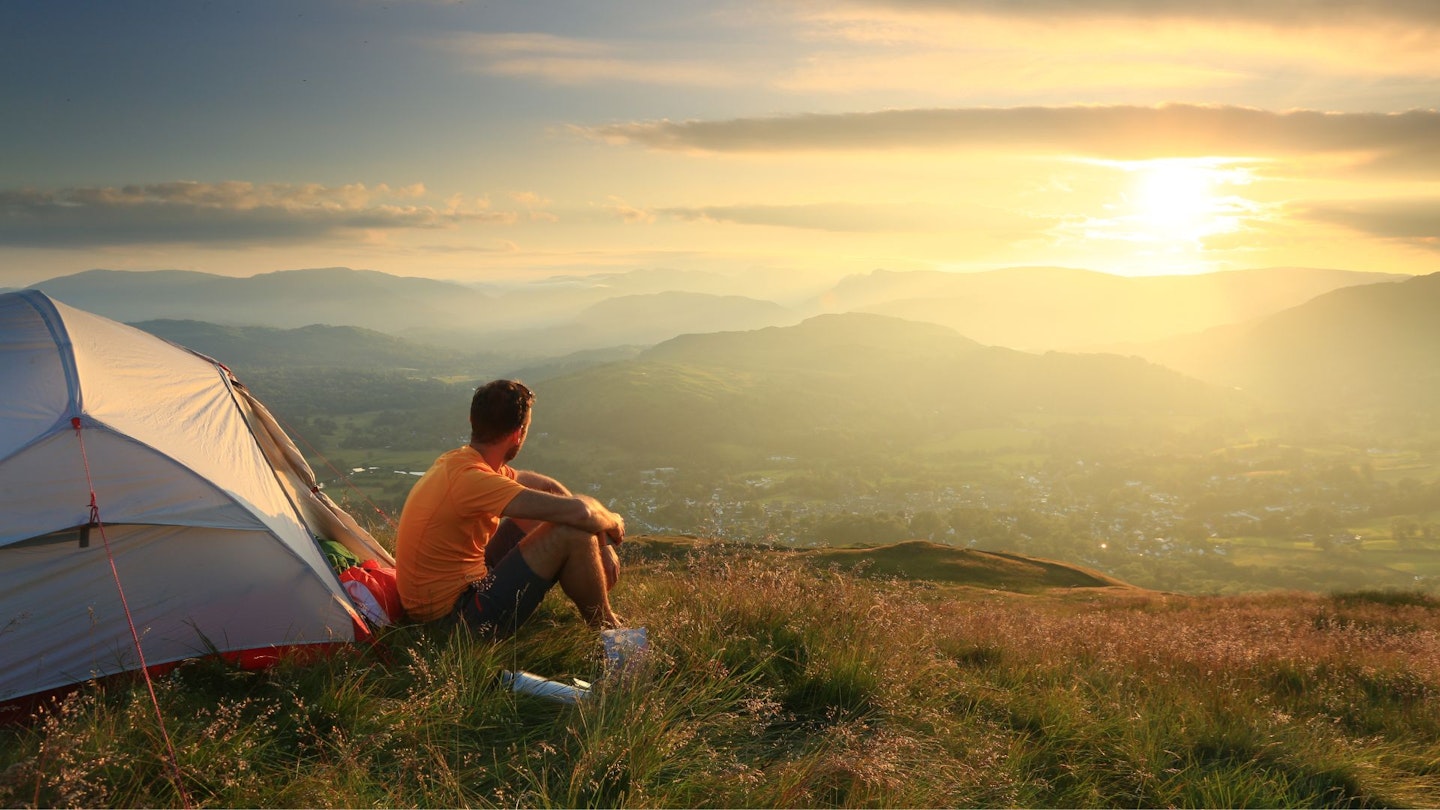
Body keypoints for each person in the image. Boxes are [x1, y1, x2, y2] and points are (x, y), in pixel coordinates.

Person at [395, 379, 626, 637]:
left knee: (562, 520)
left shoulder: (463, 462)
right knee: (570, 532)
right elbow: (581, 513)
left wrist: (601, 543)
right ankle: (611, 634)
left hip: (453, 596)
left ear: (473, 420)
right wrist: (613, 522)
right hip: (451, 624)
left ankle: (605, 622)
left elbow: (548, 488)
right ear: (518, 434)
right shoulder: (472, 480)